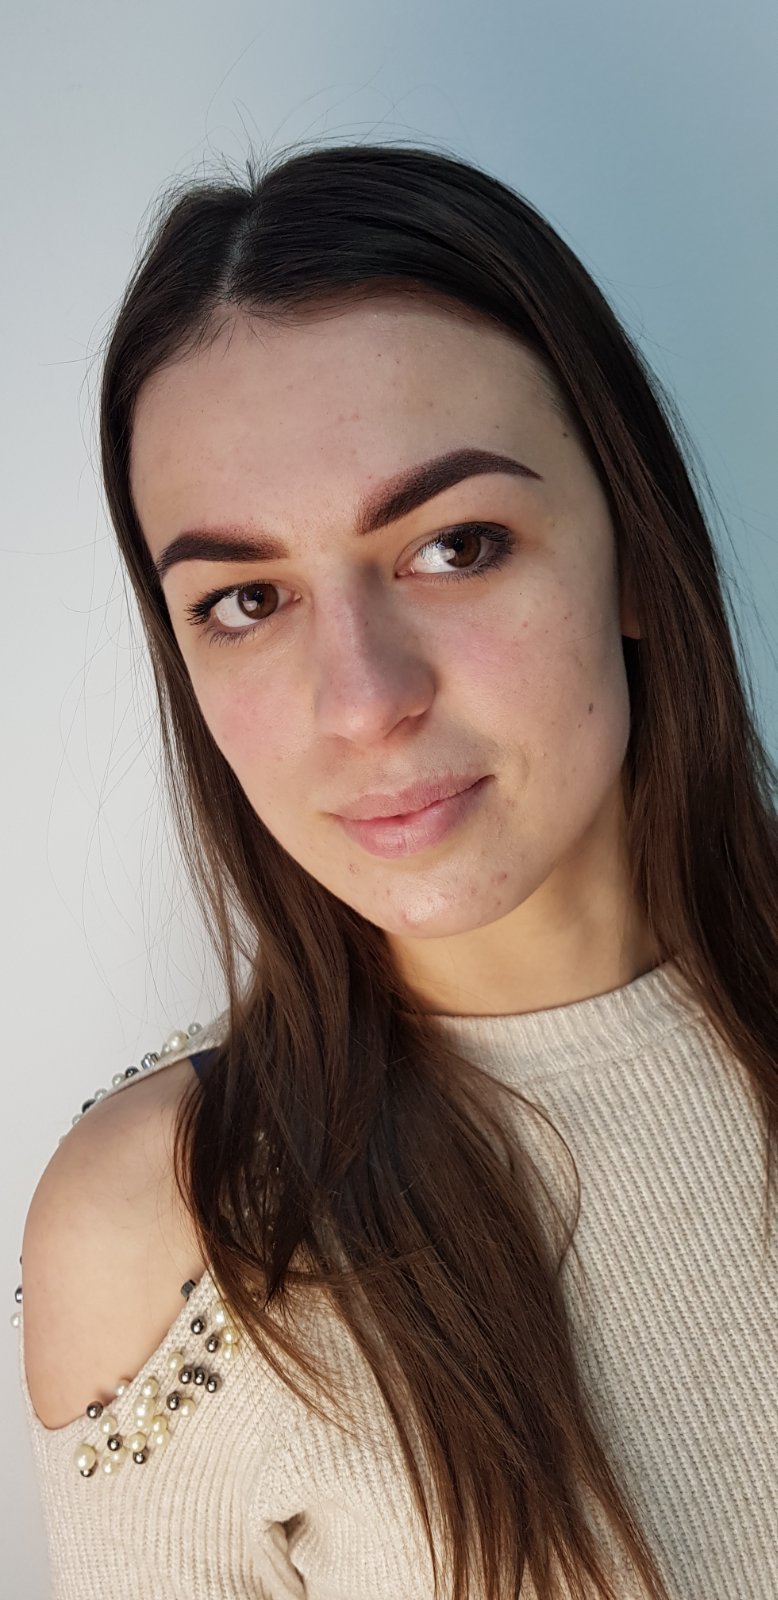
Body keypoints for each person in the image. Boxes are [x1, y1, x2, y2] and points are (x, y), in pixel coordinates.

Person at [14, 139, 778, 1600]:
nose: (363, 701)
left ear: (631, 551)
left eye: (456, 545)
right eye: (246, 600)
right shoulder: (175, 1227)